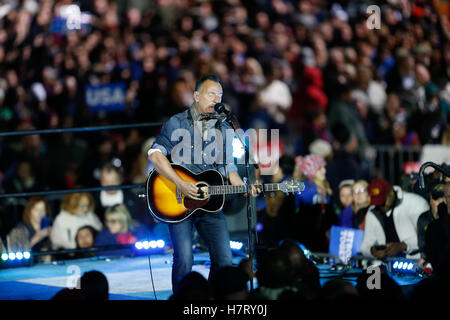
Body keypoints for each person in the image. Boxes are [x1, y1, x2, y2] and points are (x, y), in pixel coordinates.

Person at [148, 74, 260, 292]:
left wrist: (244, 187)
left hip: (210, 204)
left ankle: (211, 298)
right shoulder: (176, 122)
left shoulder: (224, 127)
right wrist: (180, 183)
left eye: (220, 95)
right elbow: (154, 154)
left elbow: (229, 169)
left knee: (225, 259)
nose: (216, 99)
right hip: (179, 201)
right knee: (184, 260)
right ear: (197, 95)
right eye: (211, 94)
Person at [361, 178, 430, 259]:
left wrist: (403, 246)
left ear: (391, 192)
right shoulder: (373, 211)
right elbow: (365, 246)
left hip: (415, 261)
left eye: (383, 201)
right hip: (385, 265)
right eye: (377, 202)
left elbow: (427, 238)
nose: (380, 206)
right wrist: (373, 251)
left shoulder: (415, 203)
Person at [294, 154, 336, 252]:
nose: (324, 171)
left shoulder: (324, 189)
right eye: (320, 168)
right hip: (308, 239)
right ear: (312, 170)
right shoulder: (304, 188)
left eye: (324, 168)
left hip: (321, 238)